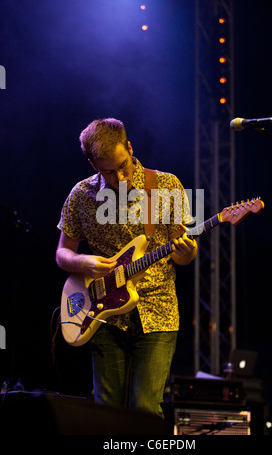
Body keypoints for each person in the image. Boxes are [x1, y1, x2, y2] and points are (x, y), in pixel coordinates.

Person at [56, 118, 198, 418]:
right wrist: (84, 262)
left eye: (123, 164)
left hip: (156, 311)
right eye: (109, 170)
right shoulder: (81, 196)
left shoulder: (165, 185)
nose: (120, 175)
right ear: (93, 164)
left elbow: (181, 257)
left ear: (129, 147)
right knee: (106, 410)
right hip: (103, 314)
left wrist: (188, 252)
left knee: (146, 409)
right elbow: (62, 253)